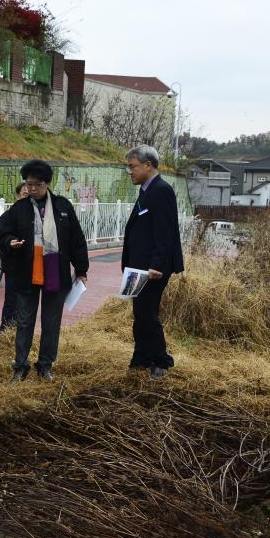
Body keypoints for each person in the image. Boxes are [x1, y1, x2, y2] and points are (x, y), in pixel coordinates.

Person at [0, 160, 89, 381]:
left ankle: (45, 365)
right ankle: (20, 366)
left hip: (56, 272)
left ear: (47, 183)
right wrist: (10, 242)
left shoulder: (62, 206)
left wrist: (82, 269)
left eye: (36, 184)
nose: (32, 189)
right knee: (25, 321)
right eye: (28, 184)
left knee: (51, 322)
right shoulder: (19, 208)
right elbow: (2, 233)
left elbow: (77, 240)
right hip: (27, 273)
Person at [122, 145, 184, 379]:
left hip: (153, 268)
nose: (130, 171)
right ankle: (141, 357)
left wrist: (157, 265)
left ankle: (161, 361)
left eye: (133, 166)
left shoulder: (161, 190)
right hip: (140, 266)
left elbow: (165, 232)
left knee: (147, 313)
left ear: (148, 165)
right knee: (140, 312)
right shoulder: (147, 190)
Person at [0, 182, 29, 333]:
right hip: (14, 266)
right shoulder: (8, 216)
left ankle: (22, 333)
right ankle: (6, 333)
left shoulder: (39, 214)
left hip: (33, 267)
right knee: (12, 300)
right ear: (18, 195)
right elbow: (0, 236)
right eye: (24, 194)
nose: (28, 197)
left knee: (28, 302)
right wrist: (10, 242)